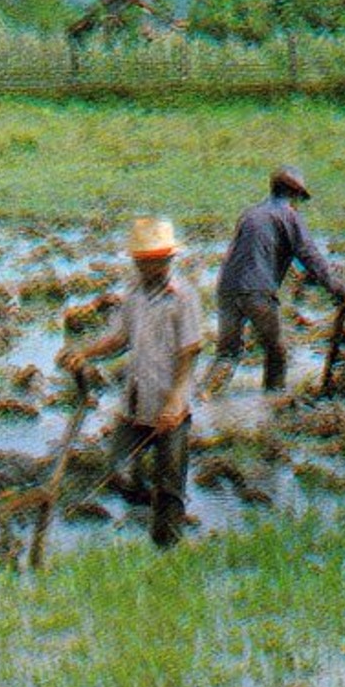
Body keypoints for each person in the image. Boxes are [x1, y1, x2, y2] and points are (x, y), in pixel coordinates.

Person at [56, 217, 202, 549]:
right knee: (115, 470)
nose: (147, 266)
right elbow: (120, 338)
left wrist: (177, 401)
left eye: (154, 260)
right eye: (142, 260)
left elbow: (190, 352)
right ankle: (146, 508)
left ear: (167, 259)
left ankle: (168, 550)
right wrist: (85, 353)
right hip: (135, 401)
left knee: (171, 486)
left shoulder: (184, 297)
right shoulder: (133, 294)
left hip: (170, 403)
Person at [203, 165, 345, 395]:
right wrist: (341, 291)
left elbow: (254, 251)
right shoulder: (289, 216)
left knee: (227, 353)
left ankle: (203, 399)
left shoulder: (250, 214)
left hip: (227, 288)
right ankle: (273, 408)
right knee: (277, 351)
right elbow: (310, 257)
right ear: (294, 195)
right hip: (257, 291)